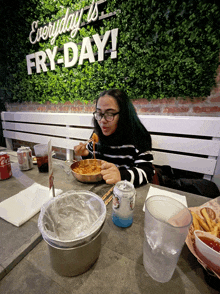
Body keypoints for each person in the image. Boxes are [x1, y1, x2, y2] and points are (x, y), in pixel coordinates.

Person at [74, 89, 154, 187]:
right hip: (100, 189)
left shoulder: (138, 137)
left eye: (110, 114)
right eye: (99, 113)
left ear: (124, 114)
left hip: (124, 193)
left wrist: (121, 175)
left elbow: (147, 172)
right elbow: (95, 162)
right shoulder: (97, 135)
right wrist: (85, 154)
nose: (103, 120)